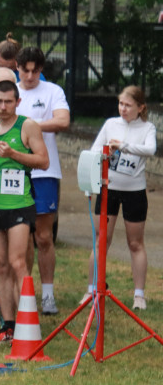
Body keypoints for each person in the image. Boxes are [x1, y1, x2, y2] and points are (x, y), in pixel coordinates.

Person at [0, 79, 49, 344]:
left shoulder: (27, 126)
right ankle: (9, 326)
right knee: (0, 266)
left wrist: (15, 154)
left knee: (18, 263)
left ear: (18, 102)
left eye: (8, 101)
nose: (3, 106)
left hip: (19, 205)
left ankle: (29, 324)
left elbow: (43, 161)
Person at [85, 86, 156, 310]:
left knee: (135, 242)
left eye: (128, 105)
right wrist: (107, 152)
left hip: (134, 191)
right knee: (100, 240)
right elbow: (94, 151)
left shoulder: (147, 127)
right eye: (121, 104)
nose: (123, 109)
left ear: (140, 107)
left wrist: (123, 146)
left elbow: (150, 149)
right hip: (109, 188)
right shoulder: (110, 124)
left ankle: (139, 295)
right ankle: (91, 290)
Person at [14, 46, 69, 315]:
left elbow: (63, 120)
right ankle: (22, 292)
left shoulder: (53, 91)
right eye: (26, 70)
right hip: (14, 172)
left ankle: (48, 295)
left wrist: (30, 125)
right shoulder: (10, 91)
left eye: (36, 70)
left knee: (43, 236)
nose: (31, 75)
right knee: (19, 237)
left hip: (45, 173)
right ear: (18, 67)